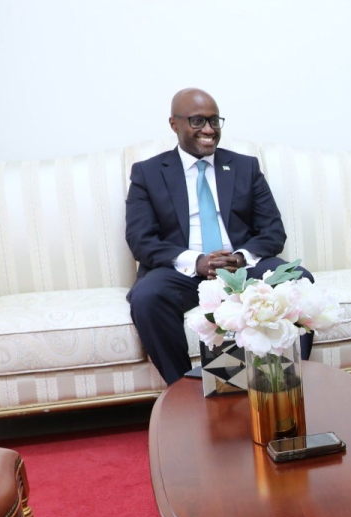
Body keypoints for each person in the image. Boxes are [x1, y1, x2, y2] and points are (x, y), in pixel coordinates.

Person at [125, 88, 312, 384]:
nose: (209, 130)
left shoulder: (244, 167)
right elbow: (141, 240)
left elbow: (273, 231)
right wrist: (197, 261)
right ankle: (182, 389)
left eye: (214, 121)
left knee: (297, 277)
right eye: (197, 121)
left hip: (241, 268)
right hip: (182, 272)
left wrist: (239, 258)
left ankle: (284, 382)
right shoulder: (148, 173)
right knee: (147, 297)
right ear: (174, 124)